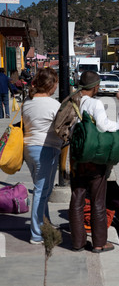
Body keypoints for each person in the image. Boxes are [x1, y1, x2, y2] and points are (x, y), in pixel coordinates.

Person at [69, 70, 119, 253]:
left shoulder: (72, 101)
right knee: (97, 201)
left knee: (77, 199)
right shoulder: (95, 103)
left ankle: (78, 242)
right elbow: (102, 125)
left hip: (77, 158)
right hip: (94, 159)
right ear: (95, 87)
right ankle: (99, 243)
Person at [22, 67, 62, 244]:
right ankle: (37, 234)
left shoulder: (27, 102)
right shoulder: (54, 105)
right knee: (40, 191)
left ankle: (44, 222)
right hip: (46, 148)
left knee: (42, 189)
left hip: (28, 148)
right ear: (51, 84)